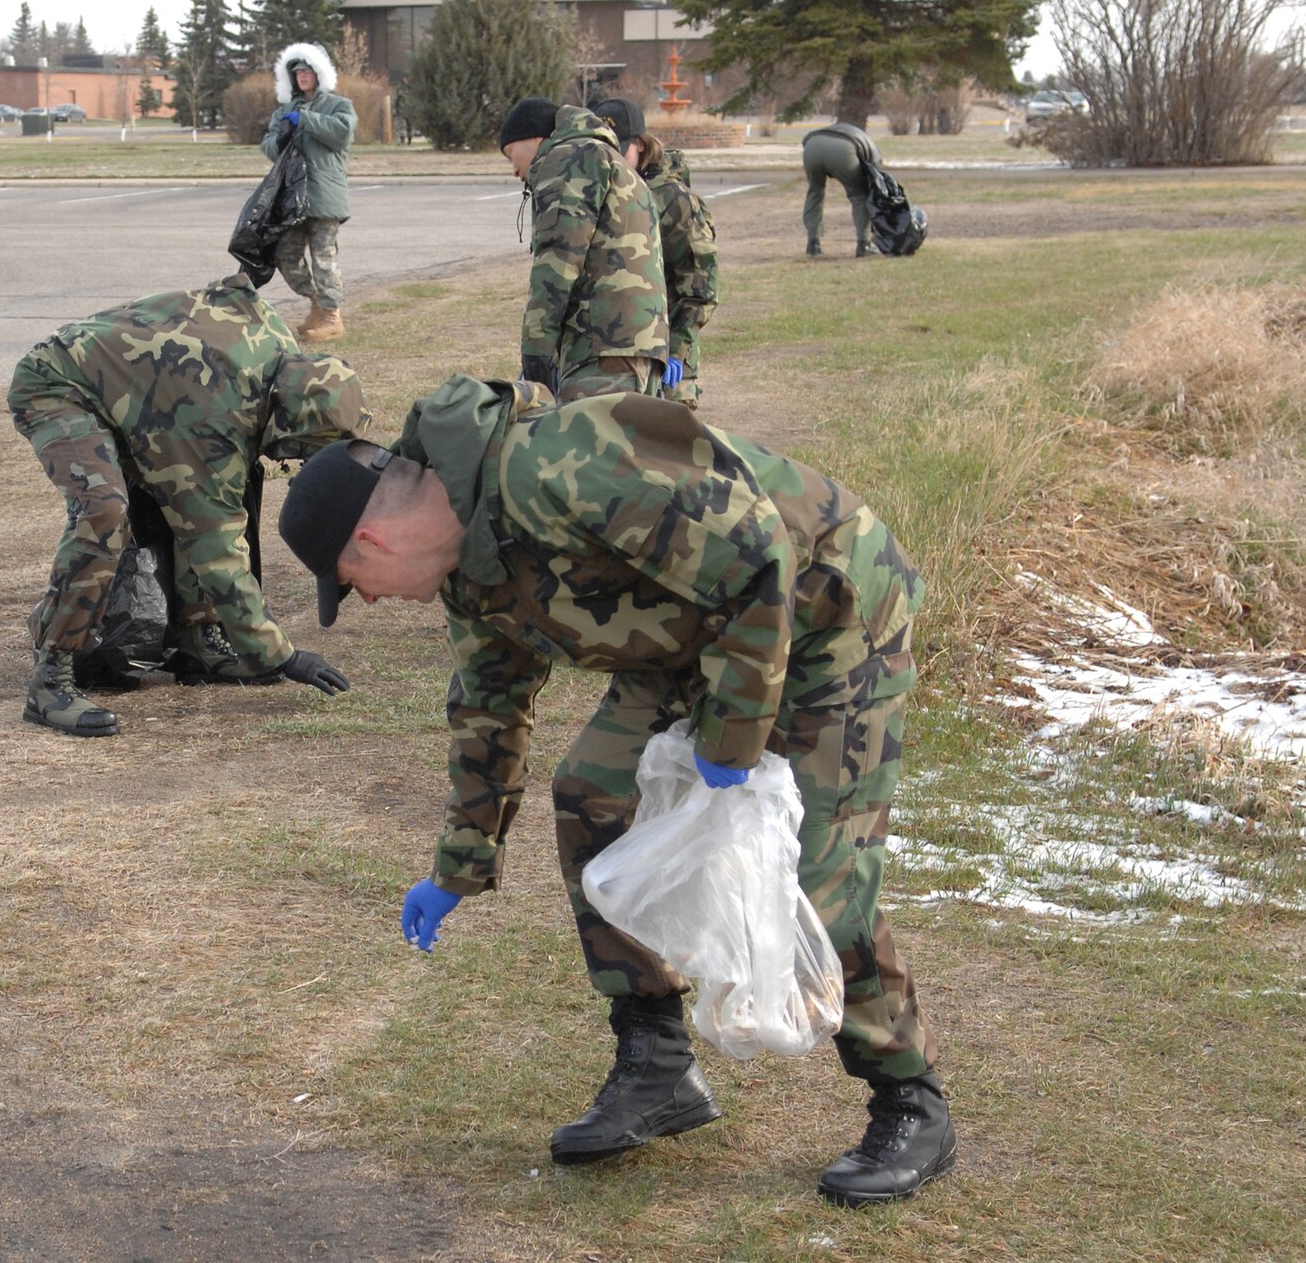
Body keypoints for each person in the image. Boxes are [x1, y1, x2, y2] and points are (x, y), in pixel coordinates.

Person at [276, 376, 955, 1208]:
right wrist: (460, 863)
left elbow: (759, 562)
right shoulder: (470, 572)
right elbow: (489, 712)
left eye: (355, 585)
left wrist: (732, 744)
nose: (372, 600)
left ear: (374, 541)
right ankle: (658, 1061)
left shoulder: (558, 469)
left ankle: (910, 1100)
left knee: (822, 876)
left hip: (830, 609)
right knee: (592, 797)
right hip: (695, 642)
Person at [9, 273, 367, 737]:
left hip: (130, 390)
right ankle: (50, 678)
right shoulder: (215, 418)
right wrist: (282, 656)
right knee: (105, 510)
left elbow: (233, 289)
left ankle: (199, 643)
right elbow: (214, 548)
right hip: (58, 383)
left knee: (210, 491)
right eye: (299, 452)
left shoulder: (277, 345)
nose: (292, 461)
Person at [496, 98, 669, 401]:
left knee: (589, 447)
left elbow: (558, 261)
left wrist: (536, 351)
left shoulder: (569, 159)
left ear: (536, 138)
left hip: (601, 349)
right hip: (639, 345)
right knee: (627, 448)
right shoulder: (606, 158)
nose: (513, 169)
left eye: (511, 153)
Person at [594, 98, 720, 407]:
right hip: (616, 351)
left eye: (618, 149)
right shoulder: (600, 190)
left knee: (672, 442)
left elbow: (700, 285)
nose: (612, 159)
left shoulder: (673, 200)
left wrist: (677, 349)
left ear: (640, 144)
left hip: (668, 350)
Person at [259, 42, 357, 340]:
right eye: (297, 70)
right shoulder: (286, 110)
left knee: (323, 257)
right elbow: (268, 145)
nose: (302, 75)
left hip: (325, 196)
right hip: (292, 198)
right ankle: (316, 302)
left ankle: (332, 317)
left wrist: (308, 120)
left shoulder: (339, 106)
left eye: (307, 70)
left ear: (320, 73)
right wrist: (282, 138)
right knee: (286, 255)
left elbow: (341, 134)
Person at [801, 121, 883, 258]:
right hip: (843, 149)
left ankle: (813, 244)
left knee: (815, 192)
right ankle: (864, 245)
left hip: (812, 144)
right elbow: (876, 183)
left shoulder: (854, 133)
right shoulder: (874, 152)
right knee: (859, 196)